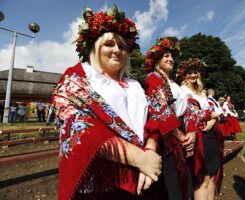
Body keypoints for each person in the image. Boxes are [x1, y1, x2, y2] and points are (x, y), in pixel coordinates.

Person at [51, 6, 162, 200]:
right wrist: (140, 158)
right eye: (109, 44)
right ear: (95, 48)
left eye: (122, 46)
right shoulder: (78, 77)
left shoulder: (135, 84)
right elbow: (79, 127)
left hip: (144, 175)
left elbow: (152, 120)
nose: (117, 50)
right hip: (101, 181)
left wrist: (150, 149)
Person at [144, 37, 193, 200]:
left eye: (171, 56)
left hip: (180, 131)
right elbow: (159, 110)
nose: (171, 59)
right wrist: (179, 135)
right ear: (156, 59)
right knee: (173, 186)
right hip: (167, 136)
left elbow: (188, 109)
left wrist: (191, 131)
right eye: (166, 56)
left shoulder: (174, 84)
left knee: (184, 181)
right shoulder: (153, 78)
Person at [177, 59, 222, 200]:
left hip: (211, 135)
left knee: (212, 175)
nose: (192, 75)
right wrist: (213, 116)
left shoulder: (201, 92)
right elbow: (192, 115)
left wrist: (213, 120)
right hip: (198, 137)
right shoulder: (182, 91)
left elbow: (216, 113)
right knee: (202, 179)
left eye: (194, 72)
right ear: (184, 75)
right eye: (189, 73)